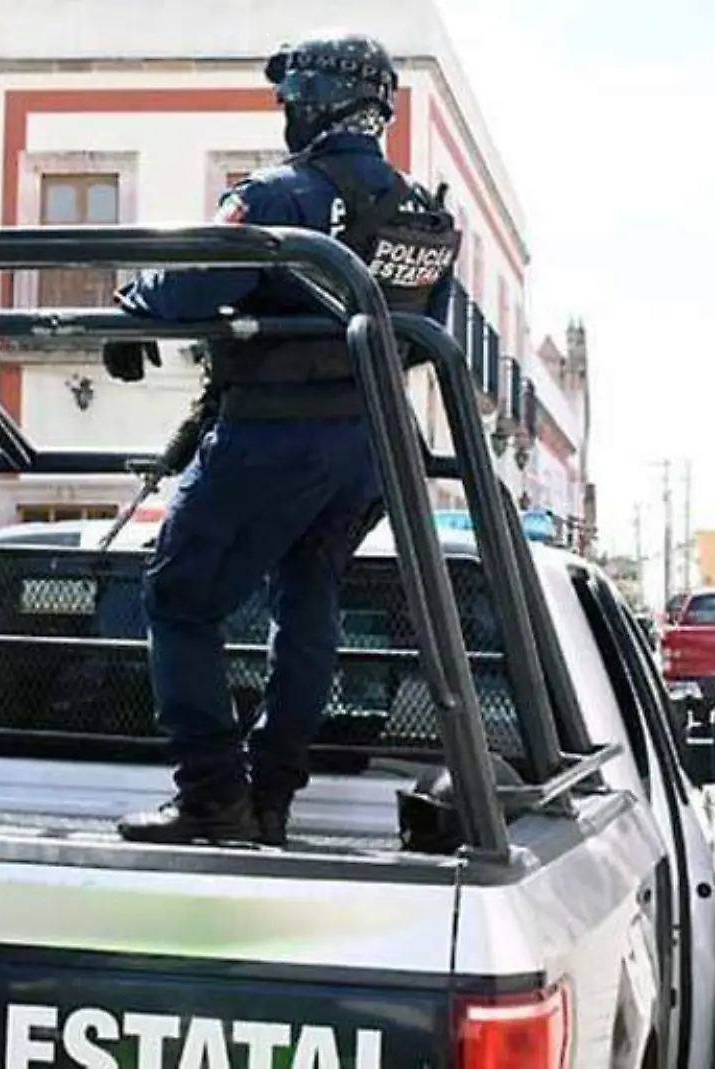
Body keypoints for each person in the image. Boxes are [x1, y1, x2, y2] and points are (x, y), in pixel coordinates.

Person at [103, 30, 462, 846]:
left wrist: (130, 308)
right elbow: (420, 333)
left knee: (179, 599)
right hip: (372, 448)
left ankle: (211, 794)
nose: (286, 113)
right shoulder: (425, 215)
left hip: (273, 436)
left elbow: (200, 279)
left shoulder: (275, 197)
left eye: (291, 97)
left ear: (314, 101)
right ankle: (272, 798)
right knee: (308, 603)